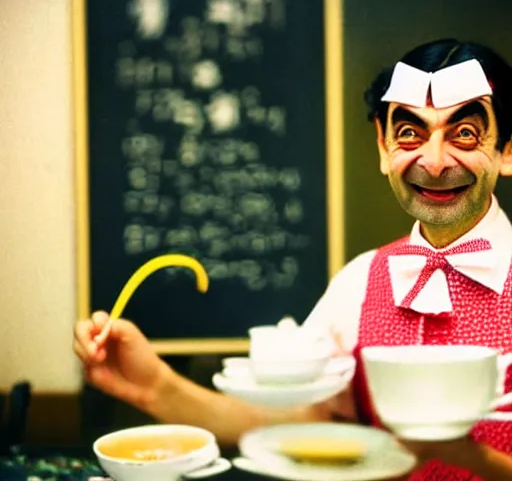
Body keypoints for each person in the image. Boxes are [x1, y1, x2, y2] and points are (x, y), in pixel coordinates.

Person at [74, 38, 512, 480]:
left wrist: (472, 458)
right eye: (410, 133)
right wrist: (153, 385)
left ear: (508, 148)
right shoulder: (361, 281)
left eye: (465, 133)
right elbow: (300, 423)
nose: (434, 162)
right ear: (383, 146)